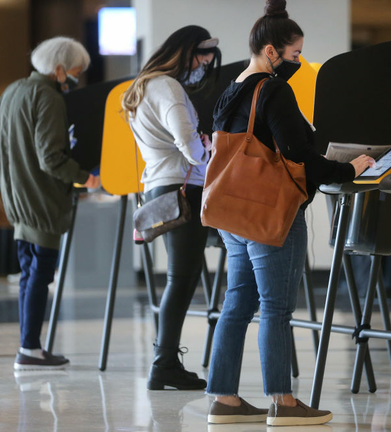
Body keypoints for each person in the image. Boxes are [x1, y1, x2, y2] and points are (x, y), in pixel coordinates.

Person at [205, 0, 375, 426]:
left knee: (236, 304)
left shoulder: (232, 88)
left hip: (233, 215)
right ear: (271, 51)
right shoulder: (274, 89)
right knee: (276, 308)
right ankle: (282, 401)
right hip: (268, 214)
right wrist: (346, 168)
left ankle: (224, 400)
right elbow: (297, 153)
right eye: (295, 54)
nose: (299, 62)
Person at [0, 36, 100, 370]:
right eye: (75, 71)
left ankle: (28, 346)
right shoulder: (48, 97)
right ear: (60, 68)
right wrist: (84, 177)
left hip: (16, 200)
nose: (76, 77)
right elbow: (51, 158)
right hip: (43, 202)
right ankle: (30, 349)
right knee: (40, 275)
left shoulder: (11, 91)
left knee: (27, 274)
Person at [121, 25, 221, 391]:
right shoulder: (168, 87)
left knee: (181, 278)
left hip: (160, 186)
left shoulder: (145, 86)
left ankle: (165, 363)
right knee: (182, 279)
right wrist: (206, 147)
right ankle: (164, 364)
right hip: (181, 189)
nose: (203, 67)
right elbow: (189, 148)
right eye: (202, 59)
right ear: (186, 52)